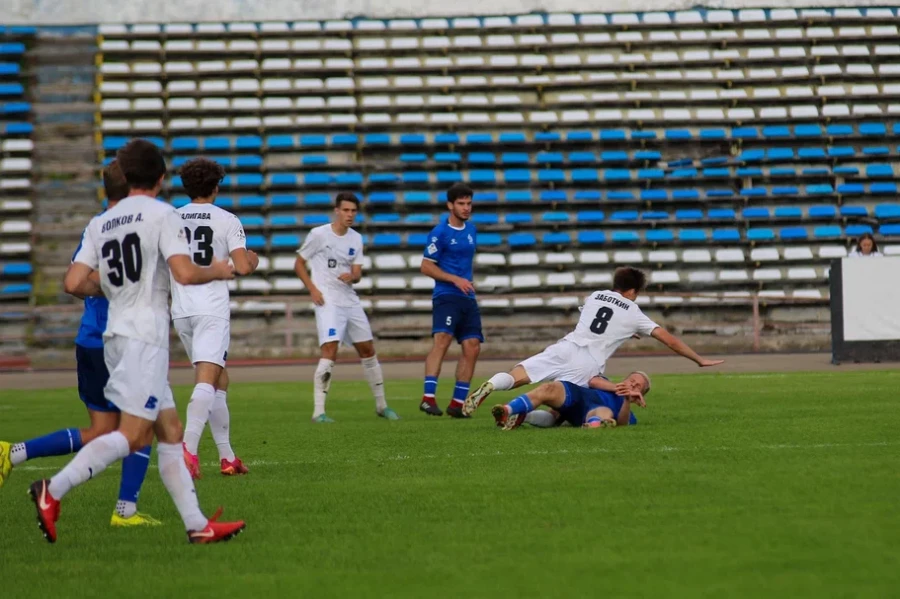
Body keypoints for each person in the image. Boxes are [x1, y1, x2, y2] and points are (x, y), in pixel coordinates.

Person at [27, 138, 244, 544]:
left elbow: (74, 281)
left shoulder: (102, 222)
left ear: (127, 178)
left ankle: (197, 526)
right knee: (132, 436)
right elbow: (184, 273)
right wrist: (218, 270)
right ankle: (51, 490)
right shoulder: (162, 214)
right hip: (144, 337)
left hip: (117, 335)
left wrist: (117, 288)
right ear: (160, 178)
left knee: (171, 430)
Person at [0, 161, 159, 527]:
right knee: (142, 426)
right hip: (120, 341)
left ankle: (13, 453)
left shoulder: (96, 226)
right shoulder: (135, 227)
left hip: (90, 339)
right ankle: (124, 511)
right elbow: (81, 283)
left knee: (102, 431)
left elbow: (75, 281)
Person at [464, 266, 723, 416]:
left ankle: (491, 385)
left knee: (517, 376)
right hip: (587, 364)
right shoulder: (634, 312)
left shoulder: (596, 296)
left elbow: (599, 321)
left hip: (566, 346)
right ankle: (518, 414)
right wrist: (698, 359)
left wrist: (624, 331)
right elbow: (669, 340)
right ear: (632, 291)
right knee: (562, 408)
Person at [172, 157, 258, 478]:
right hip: (210, 308)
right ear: (216, 186)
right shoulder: (226, 220)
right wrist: (253, 260)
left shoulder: (171, 218)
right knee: (207, 380)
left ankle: (227, 457)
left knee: (220, 379)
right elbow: (243, 267)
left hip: (181, 309)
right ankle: (188, 449)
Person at [293, 192, 399, 423]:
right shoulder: (319, 234)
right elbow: (299, 263)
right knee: (330, 349)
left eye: (353, 211)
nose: (350, 215)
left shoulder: (356, 239)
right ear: (337, 211)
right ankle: (318, 412)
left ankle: (382, 406)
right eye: (346, 210)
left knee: (368, 350)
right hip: (327, 300)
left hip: (349, 300)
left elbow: (357, 273)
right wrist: (313, 289)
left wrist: (353, 276)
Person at [419, 183, 481, 418]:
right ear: (450, 205)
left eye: (469, 203)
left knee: (472, 346)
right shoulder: (440, 233)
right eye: (461, 203)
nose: (466, 208)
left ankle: (457, 403)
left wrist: (465, 282)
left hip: (467, 296)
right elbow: (426, 266)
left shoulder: (471, 230)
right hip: (446, 295)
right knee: (442, 340)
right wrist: (455, 279)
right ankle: (428, 398)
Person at [491, 372, 650, 431]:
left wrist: (626, 399)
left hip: (589, 413)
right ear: (624, 379)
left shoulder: (628, 412)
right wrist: (618, 388)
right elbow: (593, 381)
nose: (633, 385)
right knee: (547, 388)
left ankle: (593, 425)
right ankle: (508, 411)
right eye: (632, 380)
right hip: (577, 396)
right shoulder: (606, 382)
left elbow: (622, 424)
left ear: (640, 396)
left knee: (604, 412)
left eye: (638, 386)